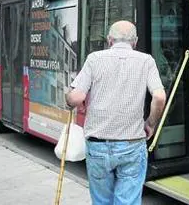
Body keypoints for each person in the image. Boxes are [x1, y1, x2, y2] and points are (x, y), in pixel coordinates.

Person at [65, 21, 167, 205]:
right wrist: (150, 124)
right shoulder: (146, 61)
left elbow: (76, 97)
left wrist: (68, 98)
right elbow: (159, 97)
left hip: (98, 145)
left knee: (102, 201)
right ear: (134, 41)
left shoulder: (95, 59)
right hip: (132, 144)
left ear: (109, 40)